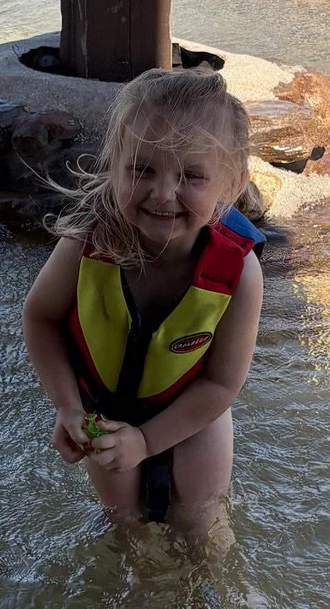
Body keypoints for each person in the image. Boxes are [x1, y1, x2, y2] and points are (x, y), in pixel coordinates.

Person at [22, 67, 264, 546]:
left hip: (194, 412)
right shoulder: (86, 242)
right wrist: (69, 407)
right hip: (105, 412)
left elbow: (222, 384)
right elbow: (40, 317)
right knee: (125, 528)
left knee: (202, 523)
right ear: (114, 165)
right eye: (141, 169)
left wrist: (148, 441)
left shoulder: (239, 272)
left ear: (231, 184)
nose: (163, 193)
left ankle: (214, 588)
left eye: (191, 176)